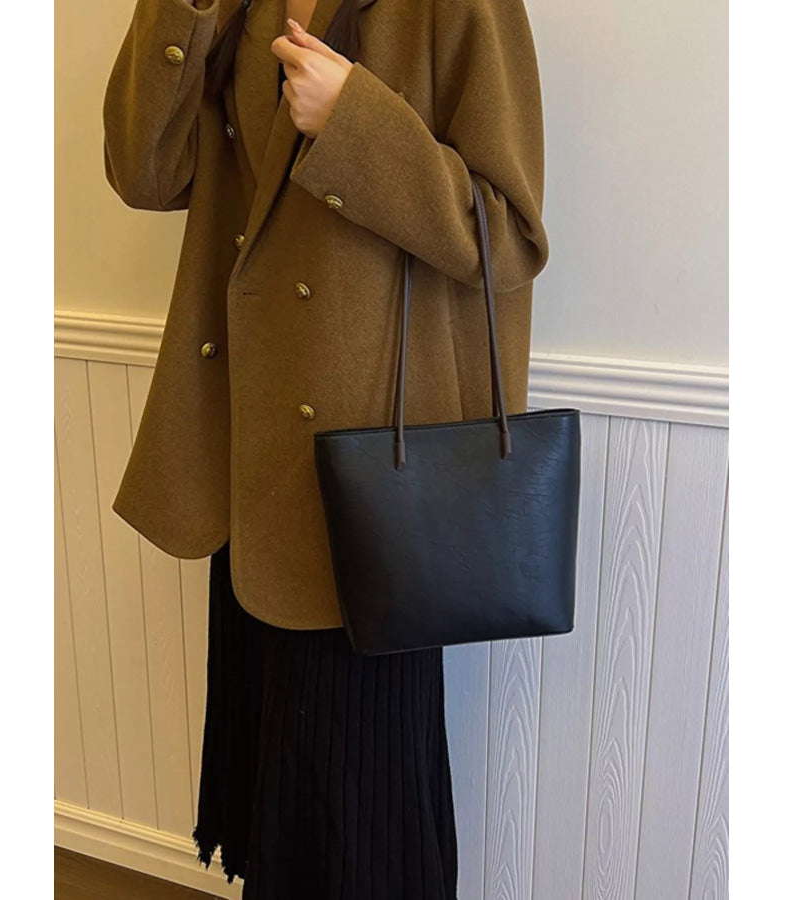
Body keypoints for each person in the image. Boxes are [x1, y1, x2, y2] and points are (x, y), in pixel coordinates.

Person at [102, 0, 549, 896]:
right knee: (280, 796)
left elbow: (506, 236)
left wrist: (355, 121)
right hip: (250, 455)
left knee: (361, 818)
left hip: (375, 487)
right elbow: (144, 174)